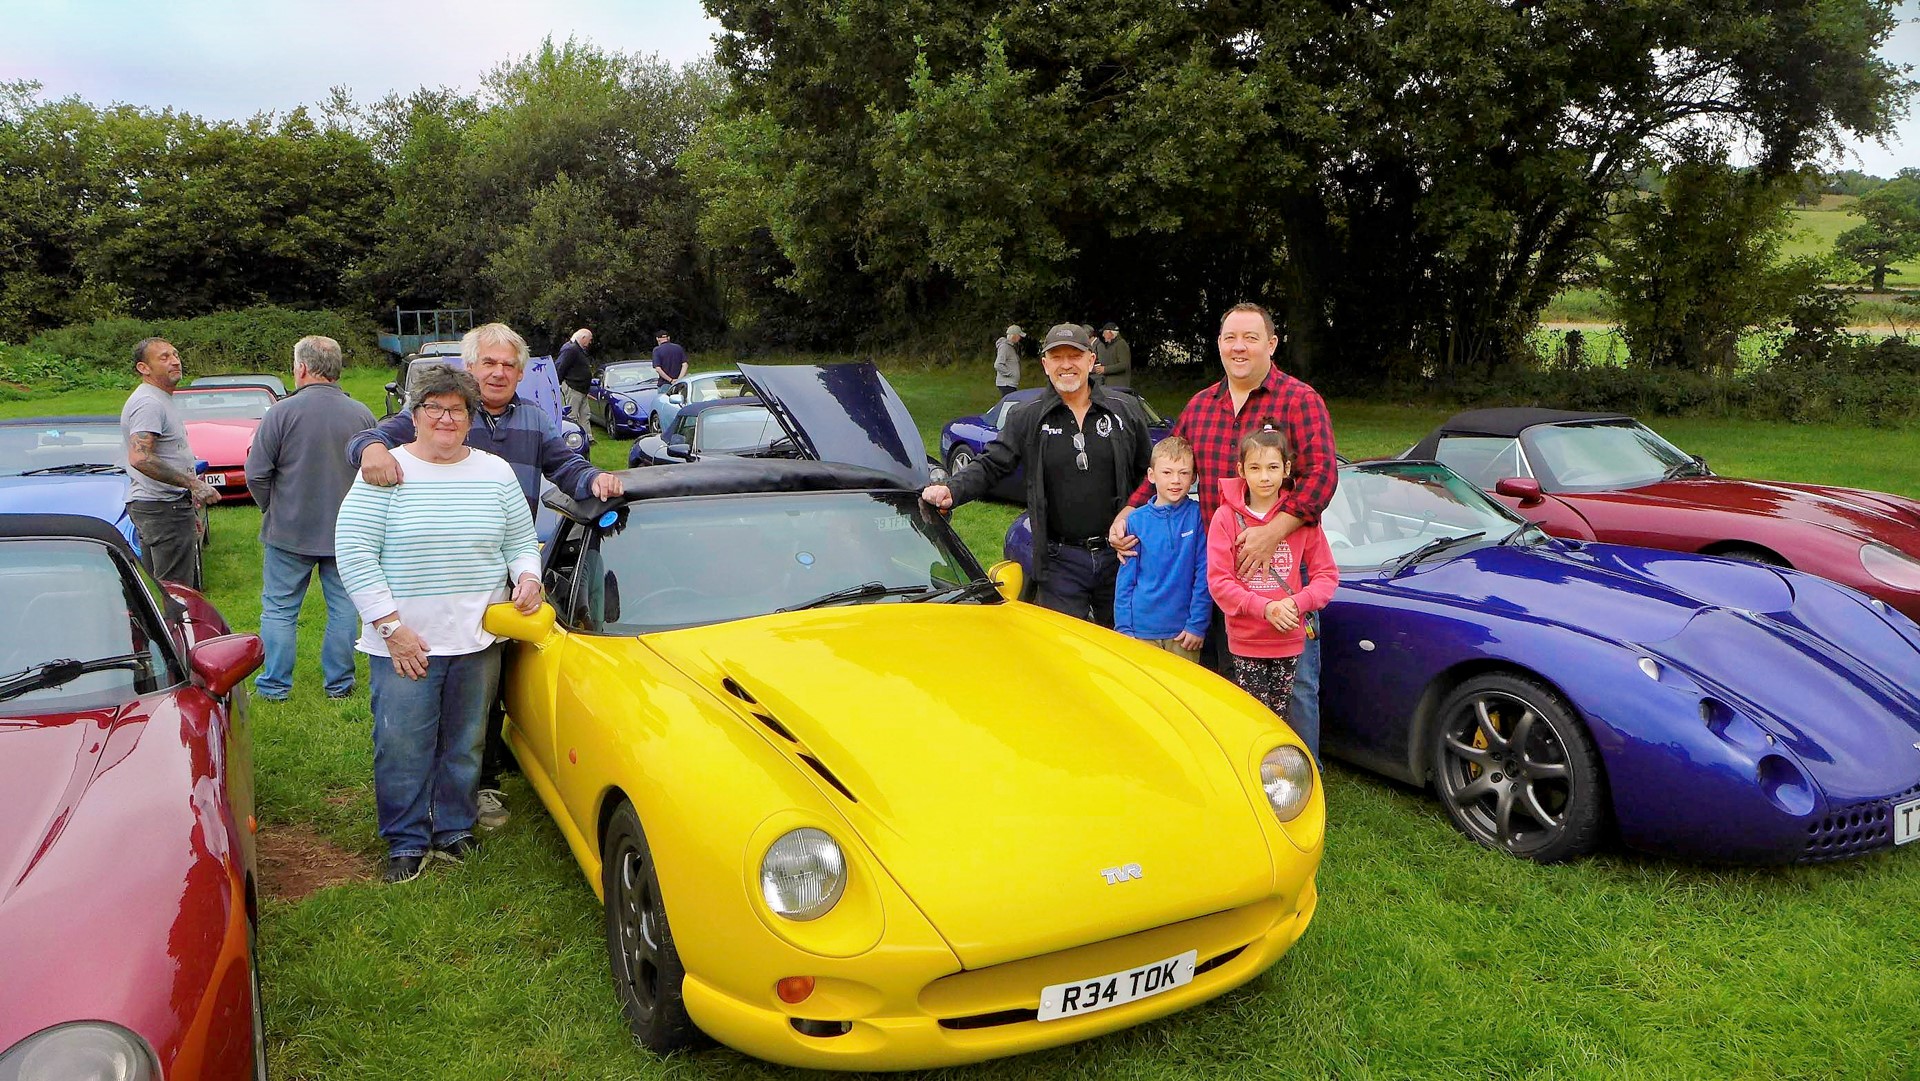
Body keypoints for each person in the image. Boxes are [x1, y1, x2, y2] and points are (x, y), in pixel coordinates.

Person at [348, 322, 623, 830]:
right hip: (422, 589)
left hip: (495, 586)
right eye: (488, 363)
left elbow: (567, 468)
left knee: (481, 704)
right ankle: (412, 824)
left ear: (521, 372)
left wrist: (595, 479)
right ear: (469, 369)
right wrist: (369, 451)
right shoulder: (436, 414)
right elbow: (371, 441)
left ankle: (479, 791)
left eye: (508, 365)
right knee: (413, 725)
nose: (498, 373)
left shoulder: (535, 422)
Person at [335, 365, 543, 884]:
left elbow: (520, 540)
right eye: (434, 408)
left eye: (457, 410)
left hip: (477, 637)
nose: (446, 418)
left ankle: (454, 828)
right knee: (403, 746)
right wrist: (390, 626)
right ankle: (406, 840)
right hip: (406, 640)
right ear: (415, 414)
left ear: (471, 418)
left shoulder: (495, 473)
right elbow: (355, 552)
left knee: (466, 742)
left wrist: (528, 576)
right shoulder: (385, 471)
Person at [1108, 302, 1337, 732]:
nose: (1239, 347)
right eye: (1230, 338)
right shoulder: (1201, 406)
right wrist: (1129, 510)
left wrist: (1274, 531)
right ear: (1219, 345)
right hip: (1222, 576)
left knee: (1297, 687)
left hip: (1282, 577)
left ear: (1271, 343)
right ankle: (1240, 775)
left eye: (1251, 338)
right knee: (1228, 682)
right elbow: (1168, 461)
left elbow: (1322, 477)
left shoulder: (1299, 400)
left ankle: (1303, 778)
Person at [924, 323, 1152, 625]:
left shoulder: (1124, 410)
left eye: (1075, 355)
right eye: (1057, 357)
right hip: (1060, 562)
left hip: (1120, 557)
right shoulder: (1028, 416)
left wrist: (1131, 512)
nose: (1067, 365)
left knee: (1120, 652)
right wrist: (952, 490)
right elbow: (992, 463)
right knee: (1066, 651)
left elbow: (1150, 475)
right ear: (1045, 365)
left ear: (1090, 361)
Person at [243, 335, 377, 701]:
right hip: (347, 533)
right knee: (345, 609)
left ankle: (273, 687)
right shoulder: (362, 414)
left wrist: (271, 506)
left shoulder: (280, 413)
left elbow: (255, 473)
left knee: (280, 610)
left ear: (301, 368)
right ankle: (339, 685)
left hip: (289, 531)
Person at [1207, 429, 1338, 756]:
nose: (1264, 477)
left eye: (1272, 467)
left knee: (1281, 719)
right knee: (1253, 719)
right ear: (1241, 471)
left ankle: (1287, 783)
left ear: (1287, 469)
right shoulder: (1226, 518)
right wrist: (1263, 608)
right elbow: (1219, 581)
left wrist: (1297, 603)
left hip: (1289, 638)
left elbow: (1326, 575)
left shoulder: (1301, 521)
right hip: (1247, 638)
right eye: (1255, 468)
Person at [121, 338, 220, 588]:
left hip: (168, 507)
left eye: (176, 355)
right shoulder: (149, 403)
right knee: (176, 593)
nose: (175, 361)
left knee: (162, 590)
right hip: (161, 509)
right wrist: (193, 484)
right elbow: (141, 457)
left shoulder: (160, 398)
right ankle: (175, 628)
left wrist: (187, 500)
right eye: (164, 357)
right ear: (143, 368)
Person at [1114, 436, 1209, 661]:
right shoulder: (1135, 521)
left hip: (1183, 633)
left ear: (1194, 477)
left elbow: (1204, 574)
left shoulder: (1198, 516)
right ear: (1151, 475)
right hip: (1141, 631)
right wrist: (1123, 629)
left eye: (1184, 473)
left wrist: (1197, 624)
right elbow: (1125, 581)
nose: (1175, 480)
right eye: (1167, 472)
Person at [555, 327, 594, 449]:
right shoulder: (570, 349)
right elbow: (560, 366)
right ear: (583, 338)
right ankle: (571, 440)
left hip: (582, 389)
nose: (590, 342)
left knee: (585, 414)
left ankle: (588, 438)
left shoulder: (579, 350)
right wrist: (558, 384)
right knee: (572, 415)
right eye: (589, 339)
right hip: (573, 387)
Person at [1095, 322, 1133, 388]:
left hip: (1119, 386)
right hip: (1111, 385)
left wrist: (1105, 369)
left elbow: (1124, 365)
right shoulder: (1112, 345)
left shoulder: (1121, 344)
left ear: (1110, 333)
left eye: (1104, 333)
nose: (1103, 335)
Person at [993, 325, 1024, 397]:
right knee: (1009, 405)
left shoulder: (1010, 347)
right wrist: (1009, 373)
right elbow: (998, 364)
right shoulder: (1005, 347)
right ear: (1014, 336)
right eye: (1019, 335)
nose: (1020, 338)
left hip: (1011, 384)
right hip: (1006, 384)